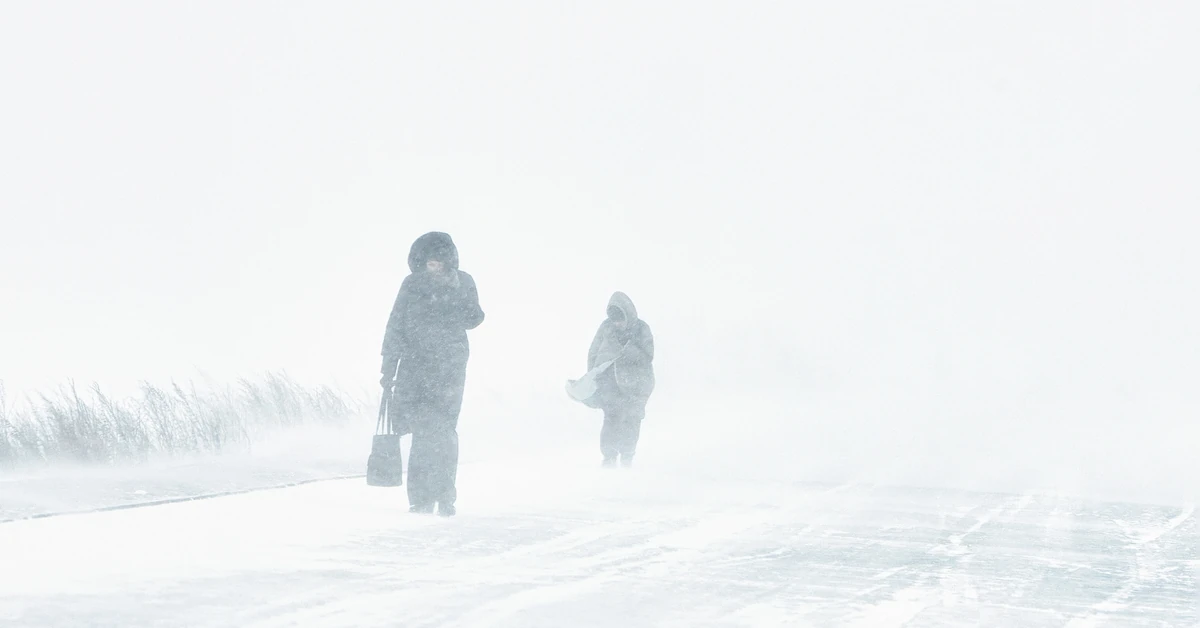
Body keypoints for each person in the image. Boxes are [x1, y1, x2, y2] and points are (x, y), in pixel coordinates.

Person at [380, 231, 484, 516]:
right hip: (414, 368)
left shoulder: (463, 282)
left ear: (448, 260)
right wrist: (388, 367)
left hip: (449, 369)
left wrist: (451, 299)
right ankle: (420, 499)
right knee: (423, 434)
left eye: (438, 261)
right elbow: (396, 324)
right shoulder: (411, 285)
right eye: (428, 261)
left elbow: (475, 318)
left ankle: (445, 497)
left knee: (444, 433)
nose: (433, 266)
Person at [586, 291, 655, 468]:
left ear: (628, 314)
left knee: (632, 419)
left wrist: (628, 352)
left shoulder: (642, 329)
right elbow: (593, 353)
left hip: (636, 385)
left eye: (620, 319)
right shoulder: (606, 328)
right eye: (614, 320)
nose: (618, 324)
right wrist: (592, 377)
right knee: (611, 418)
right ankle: (609, 458)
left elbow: (648, 356)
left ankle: (627, 457)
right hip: (610, 385)